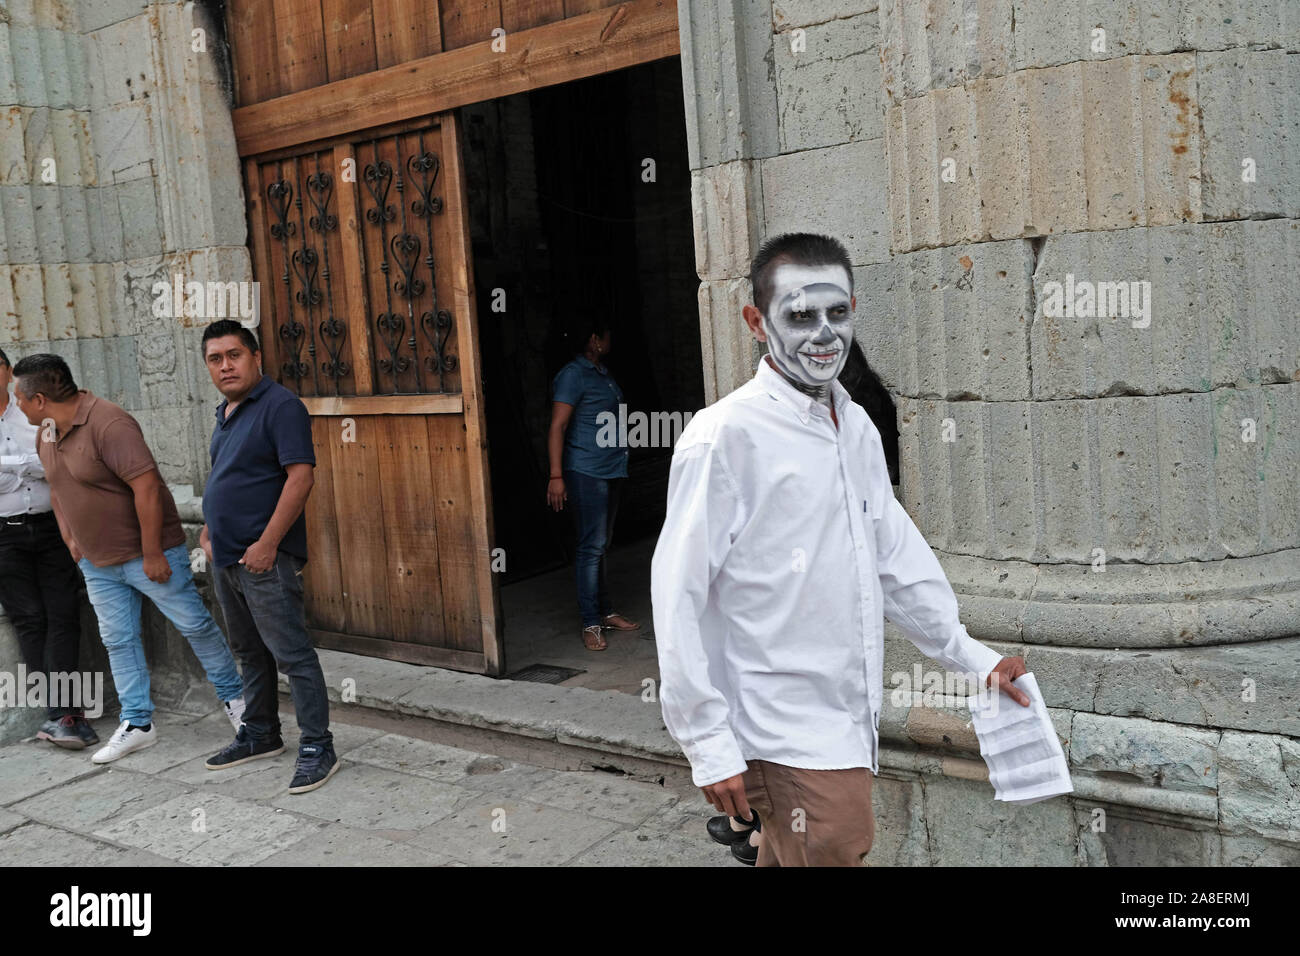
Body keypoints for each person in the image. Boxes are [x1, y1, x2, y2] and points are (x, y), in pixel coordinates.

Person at [651, 233, 1031, 867]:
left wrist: (972, 658)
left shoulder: (852, 425)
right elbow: (678, 596)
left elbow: (895, 558)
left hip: (847, 719)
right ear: (756, 321)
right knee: (839, 846)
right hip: (783, 728)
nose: (823, 334)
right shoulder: (723, 438)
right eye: (799, 316)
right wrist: (707, 743)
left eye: (838, 313)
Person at [11, 354, 245, 764]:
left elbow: (148, 489)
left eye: (21, 397)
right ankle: (138, 723)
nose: (18, 405)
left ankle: (240, 706)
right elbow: (58, 484)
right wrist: (69, 536)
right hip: (97, 563)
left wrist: (153, 551)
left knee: (195, 626)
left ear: (41, 399)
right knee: (118, 640)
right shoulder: (45, 432)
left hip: (147, 555)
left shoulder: (110, 423)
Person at [197, 320, 338, 794]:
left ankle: (318, 745)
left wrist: (268, 543)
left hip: (263, 559)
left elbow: (300, 477)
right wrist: (209, 529)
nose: (225, 365)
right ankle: (260, 733)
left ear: (256, 357)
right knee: (248, 652)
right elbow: (228, 477)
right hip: (227, 558)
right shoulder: (227, 412)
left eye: (234, 355)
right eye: (215, 359)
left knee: (292, 654)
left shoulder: (280, 406)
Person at [0, 349, 95, 748]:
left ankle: (66, 712)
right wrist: (28, 463)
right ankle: (58, 713)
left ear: (5, 372)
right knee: (29, 620)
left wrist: (15, 464)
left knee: (63, 614)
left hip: (53, 525)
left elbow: (59, 463)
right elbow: (40, 464)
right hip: (4, 535)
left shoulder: (33, 410)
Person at [546, 319, 640, 651]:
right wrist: (556, 476)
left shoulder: (601, 372)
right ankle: (590, 622)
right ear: (594, 340)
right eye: (607, 335)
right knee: (590, 546)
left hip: (610, 468)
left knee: (602, 543)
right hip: (587, 470)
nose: (610, 341)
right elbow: (558, 426)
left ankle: (605, 611)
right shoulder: (573, 375)